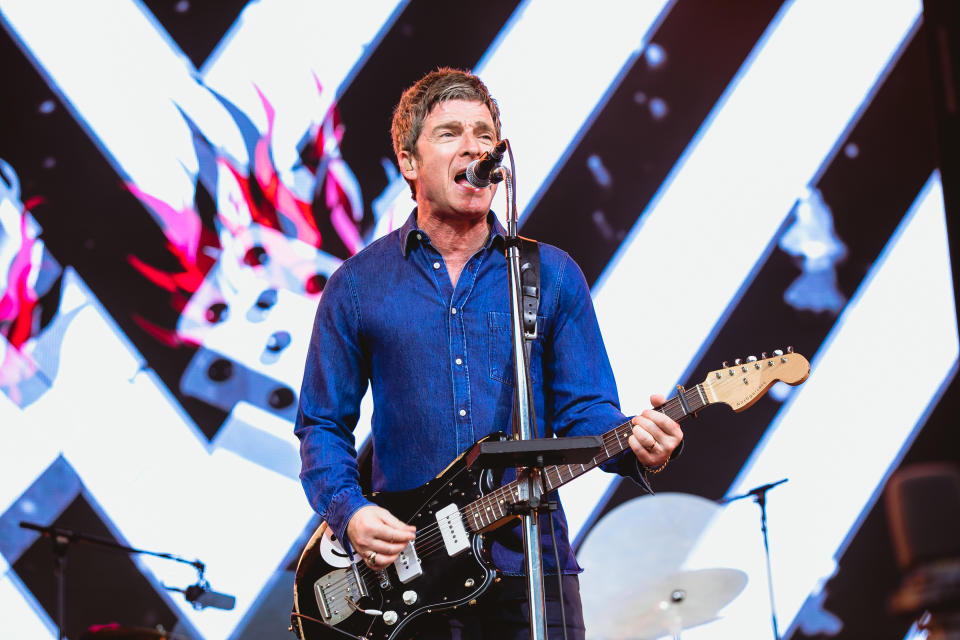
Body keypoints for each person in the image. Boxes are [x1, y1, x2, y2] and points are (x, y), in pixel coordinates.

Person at [295, 67, 683, 639]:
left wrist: (640, 445)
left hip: (532, 567)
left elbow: (587, 413)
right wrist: (349, 512)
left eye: (483, 133)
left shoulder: (549, 274)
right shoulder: (357, 285)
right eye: (450, 133)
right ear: (408, 162)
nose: (474, 146)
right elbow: (322, 424)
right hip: (411, 579)